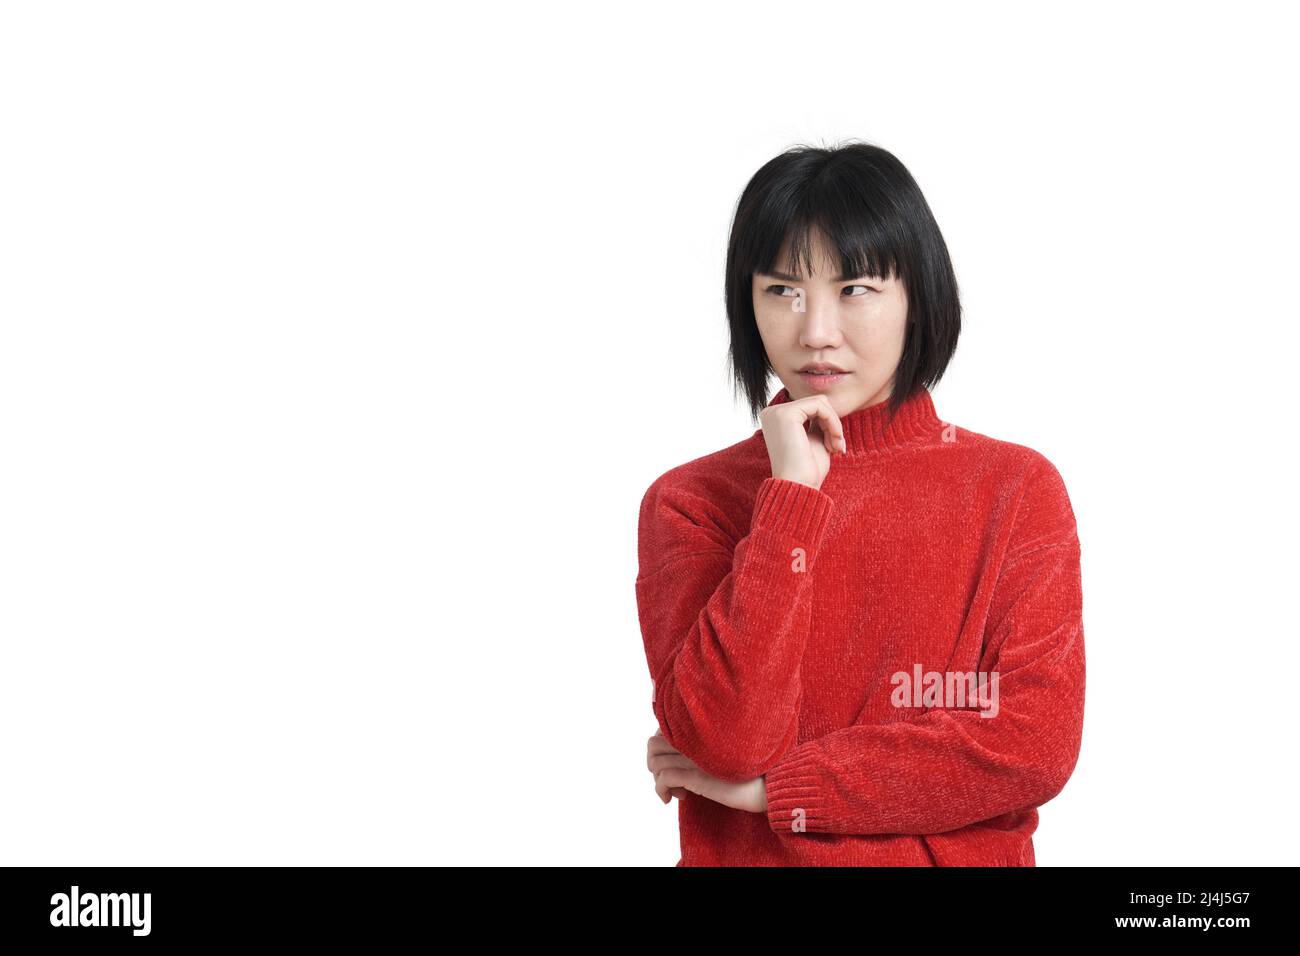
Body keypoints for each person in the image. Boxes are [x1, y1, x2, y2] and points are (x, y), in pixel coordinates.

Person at [635, 141, 1085, 866]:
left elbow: (1030, 745)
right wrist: (787, 500)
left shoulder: (1014, 490)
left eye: (856, 290)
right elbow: (726, 739)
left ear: (918, 298)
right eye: (781, 289)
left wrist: (782, 791)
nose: (815, 331)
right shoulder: (690, 503)